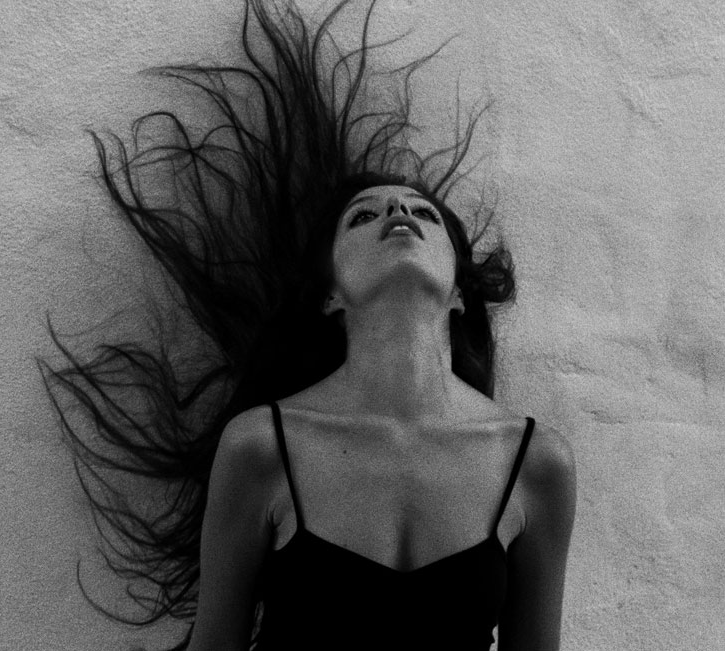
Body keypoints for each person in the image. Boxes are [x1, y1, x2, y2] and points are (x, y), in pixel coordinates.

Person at [44, 1, 576, 649]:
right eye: (364, 216)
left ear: (461, 291)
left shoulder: (535, 462)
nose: (398, 213)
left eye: (423, 213)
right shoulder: (260, 448)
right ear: (329, 295)